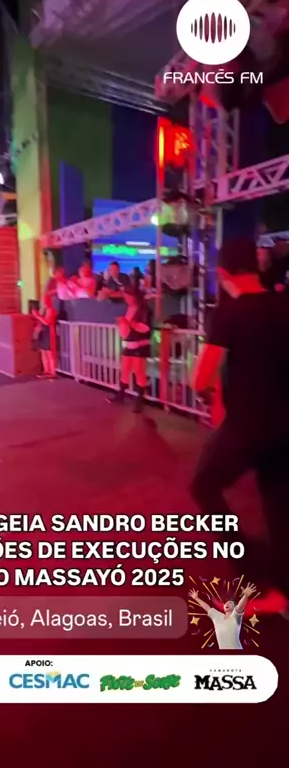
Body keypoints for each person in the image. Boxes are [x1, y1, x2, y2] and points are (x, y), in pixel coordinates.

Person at [191, 238, 289, 617]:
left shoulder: (231, 312)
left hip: (247, 427)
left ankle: (248, 560)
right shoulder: (283, 304)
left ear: (222, 274)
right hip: (284, 427)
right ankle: (282, 594)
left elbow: (200, 378)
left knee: (203, 485)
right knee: (278, 506)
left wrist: (207, 394)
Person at [107, 285, 152, 412]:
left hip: (139, 344)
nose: (126, 299)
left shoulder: (145, 310)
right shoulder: (130, 309)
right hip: (129, 343)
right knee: (125, 370)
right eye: (125, 297)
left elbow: (145, 328)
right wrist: (123, 324)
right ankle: (121, 395)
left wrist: (129, 323)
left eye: (128, 297)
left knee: (139, 372)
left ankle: (139, 401)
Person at [188, 584, 256, 650]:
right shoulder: (217, 615)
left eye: (230, 603)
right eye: (226, 603)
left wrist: (245, 596)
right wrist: (196, 598)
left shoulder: (235, 616)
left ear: (234, 608)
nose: (227, 603)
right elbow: (207, 607)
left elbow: (240, 606)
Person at [32, 294, 57, 379]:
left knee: (50, 352)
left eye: (45, 300)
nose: (44, 302)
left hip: (49, 331)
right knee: (43, 352)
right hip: (43, 332)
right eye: (43, 301)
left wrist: (37, 316)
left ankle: (52, 372)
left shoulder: (51, 310)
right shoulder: (42, 310)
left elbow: (47, 322)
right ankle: (46, 370)